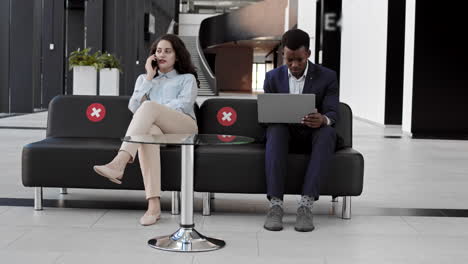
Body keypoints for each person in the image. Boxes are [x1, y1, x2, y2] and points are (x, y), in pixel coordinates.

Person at [93, 34, 199, 226]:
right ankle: (153, 206)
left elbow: (183, 105)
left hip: (183, 128)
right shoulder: (144, 79)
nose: (162, 55)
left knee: (149, 107)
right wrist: (150, 77)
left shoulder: (187, 78)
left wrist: (155, 108)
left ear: (177, 55)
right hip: (157, 129)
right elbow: (133, 107)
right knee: (146, 134)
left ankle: (119, 162)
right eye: (158, 51)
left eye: (168, 51)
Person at [263, 29, 339, 232]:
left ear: (309, 54)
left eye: (299, 59)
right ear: (282, 55)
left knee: (328, 133)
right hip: (284, 134)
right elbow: (266, 115)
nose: (294, 65)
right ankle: (275, 206)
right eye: (289, 60)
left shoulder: (328, 76)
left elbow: (333, 111)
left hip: (313, 134)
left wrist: (323, 119)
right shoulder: (272, 78)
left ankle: (305, 206)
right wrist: (274, 118)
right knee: (276, 130)